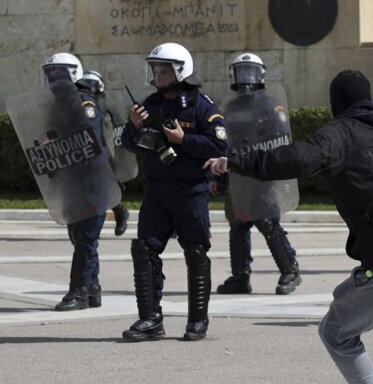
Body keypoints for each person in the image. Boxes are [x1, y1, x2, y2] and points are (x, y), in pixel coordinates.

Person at [205, 70, 373, 384]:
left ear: (336, 101)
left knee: (336, 333)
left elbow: (302, 158)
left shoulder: (340, 132)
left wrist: (237, 161)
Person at [120, 43, 227, 341]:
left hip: (191, 192)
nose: (158, 74)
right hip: (156, 193)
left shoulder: (201, 104)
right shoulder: (150, 103)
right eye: (155, 69)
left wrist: (183, 139)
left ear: (181, 70)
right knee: (144, 249)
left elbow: (220, 146)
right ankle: (150, 319)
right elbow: (130, 144)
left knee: (195, 252)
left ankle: (197, 320)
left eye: (164, 70)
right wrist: (134, 126)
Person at [214, 53, 301, 295]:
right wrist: (219, 179)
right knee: (238, 224)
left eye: (249, 72)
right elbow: (225, 145)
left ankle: (290, 270)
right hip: (238, 176)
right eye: (241, 71)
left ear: (260, 74)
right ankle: (240, 277)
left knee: (267, 221)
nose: (245, 77)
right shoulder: (230, 107)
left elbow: (279, 138)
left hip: (261, 174)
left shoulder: (270, 104)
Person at [38, 55, 110, 311]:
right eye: (51, 73)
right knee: (78, 235)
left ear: (74, 74)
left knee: (85, 237)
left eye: (60, 73)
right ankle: (92, 288)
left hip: (91, 181)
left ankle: (78, 291)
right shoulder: (58, 107)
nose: (54, 78)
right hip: (73, 182)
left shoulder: (84, 103)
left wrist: (59, 146)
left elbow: (87, 141)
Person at [77, 71, 130, 237]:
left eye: (92, 85)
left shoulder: (106, 103)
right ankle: (118, 212)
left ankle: (117, 213)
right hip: (87, 153)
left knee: (103, 187)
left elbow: (117, 128)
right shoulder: (83, 102)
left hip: (105, 152)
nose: (90, 89)